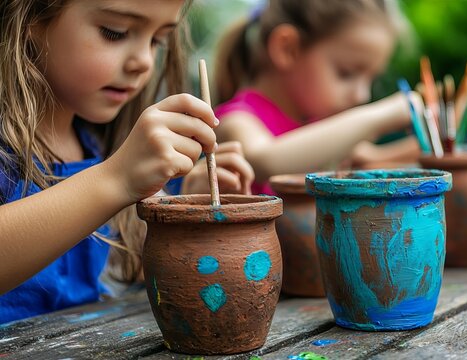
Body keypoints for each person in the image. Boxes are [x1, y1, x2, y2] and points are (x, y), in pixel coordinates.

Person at [0, 0, 252, 323]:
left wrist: (185, 201)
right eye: (114, 32)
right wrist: (115, 180)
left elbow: (134, 267)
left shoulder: (94, 145)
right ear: (31, 18)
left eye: (157, 41)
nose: (144, 61)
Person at [213, 0, 423, 194]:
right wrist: (383, 115)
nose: (362, 95)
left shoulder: (314, 122)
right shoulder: (238, 120)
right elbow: (264, 162)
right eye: (346, 72)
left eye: (371, 79)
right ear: (288, 49)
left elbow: (369, 158)